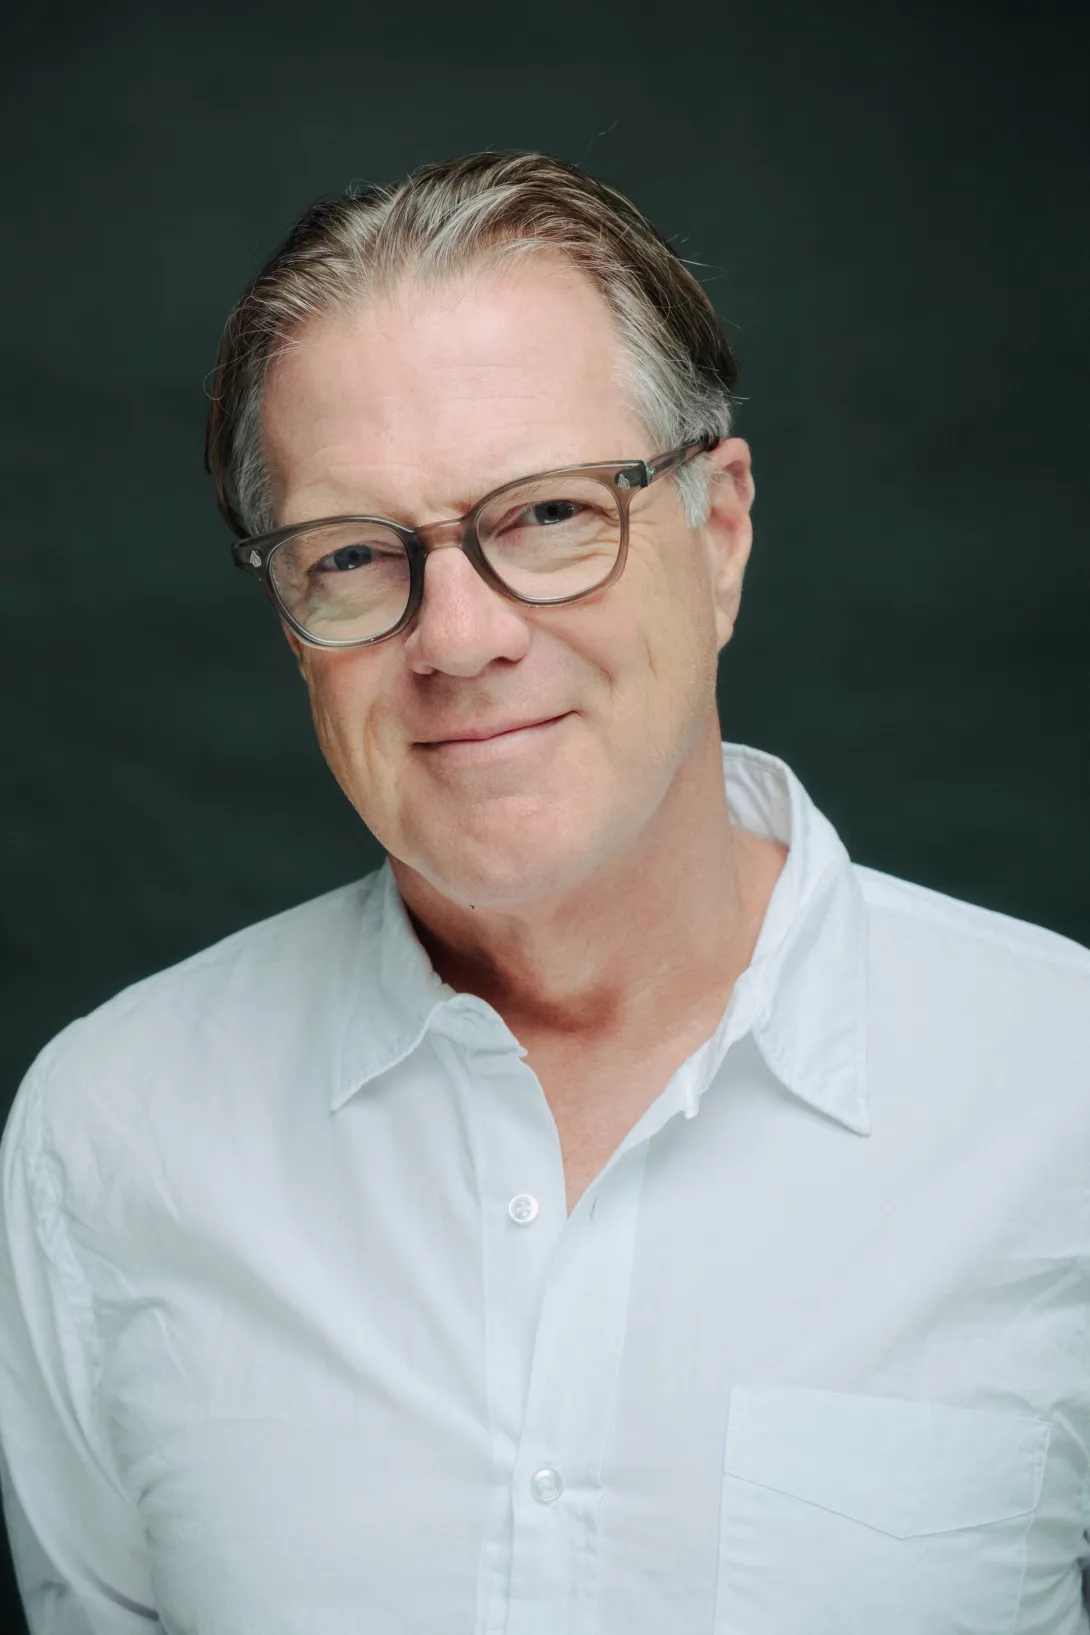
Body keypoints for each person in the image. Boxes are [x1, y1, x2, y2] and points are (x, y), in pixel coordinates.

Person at [1, 150, 1088, 1635]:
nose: (456, 637)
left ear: (717, 531)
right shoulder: (107, 1139)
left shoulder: (1058, 1101)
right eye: (353, 554)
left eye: (550, 517)